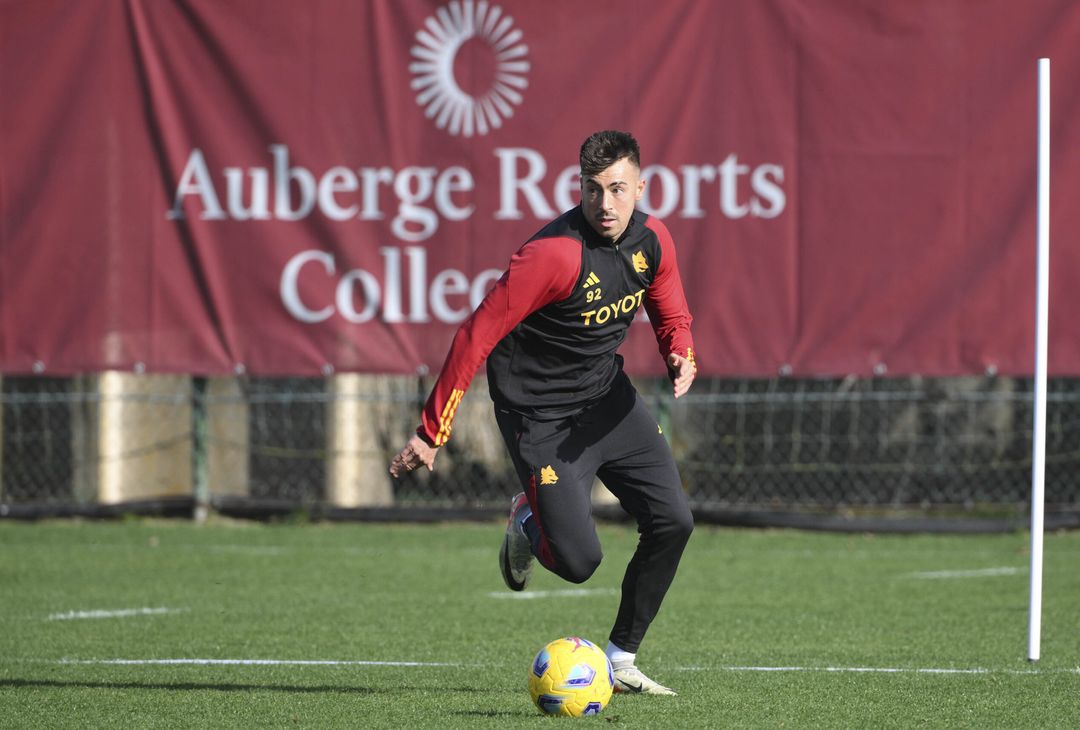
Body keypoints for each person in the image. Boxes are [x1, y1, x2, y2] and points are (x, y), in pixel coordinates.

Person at [389, 130, 696, 696]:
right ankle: (526, 520)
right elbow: (475, 336)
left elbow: (669, 303)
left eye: (618, 189)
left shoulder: (653, 239)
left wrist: (680, 350)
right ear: (579, 187)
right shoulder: (553, 254)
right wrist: (431, 432)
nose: (605, 204)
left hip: (608, 401)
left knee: (674, 522)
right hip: (540, 417)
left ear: (641, 188)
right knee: (580, 563)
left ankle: (621, 658)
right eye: (593, 189)